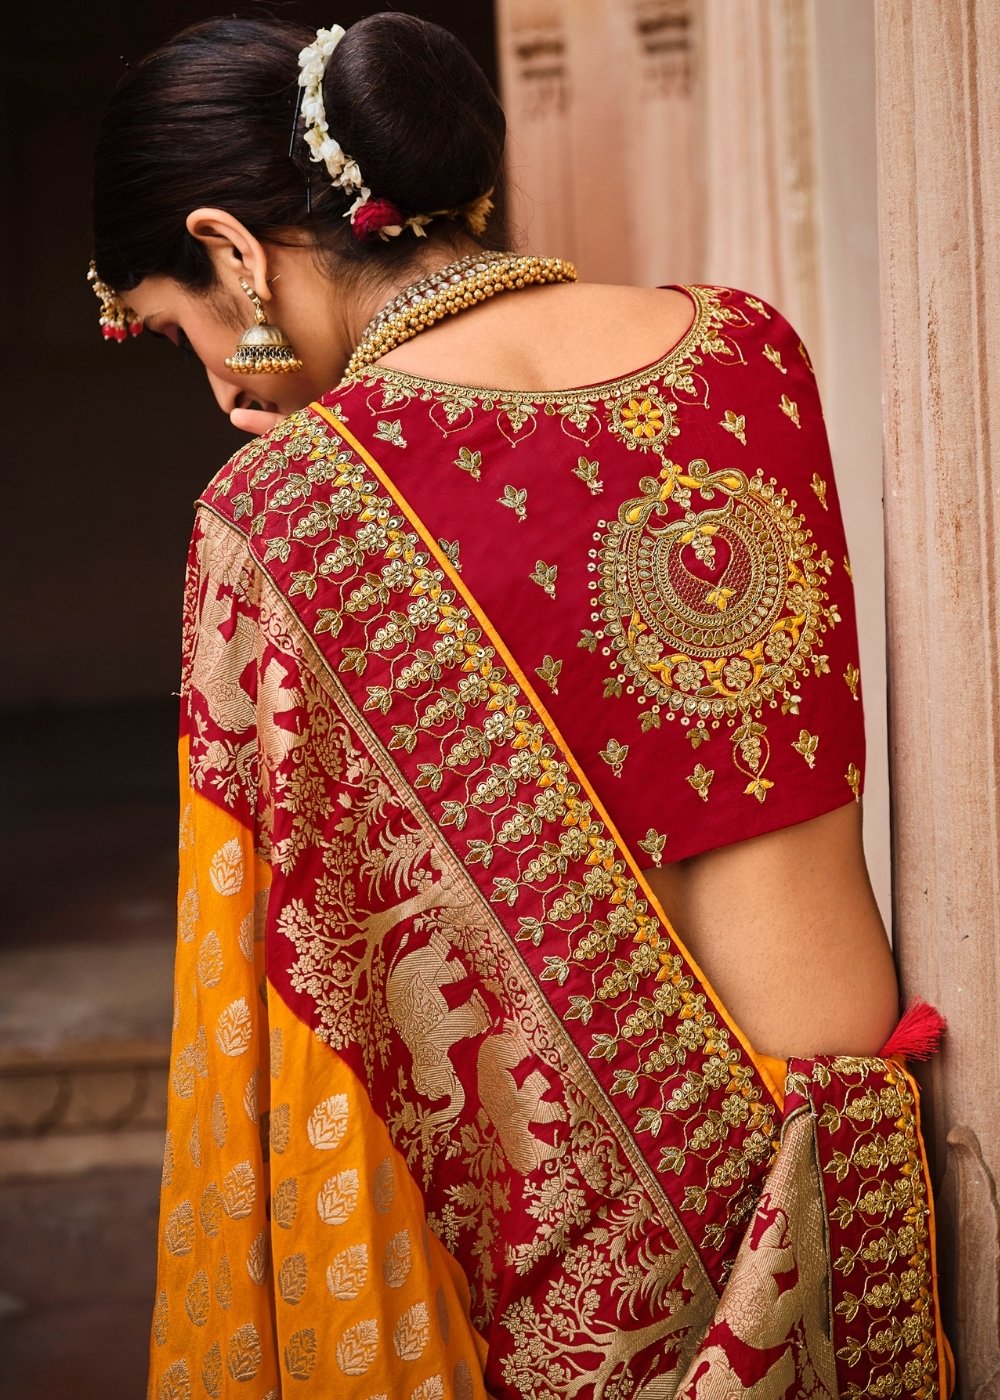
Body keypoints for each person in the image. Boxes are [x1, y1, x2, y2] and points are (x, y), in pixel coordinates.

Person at [89, 12, 953, 1398]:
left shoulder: (285, 518)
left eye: (181, 329)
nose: (213, 383)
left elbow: (295, 1030)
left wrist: (300, 494)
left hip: (598, 1302)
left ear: (233, 254)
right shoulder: (745, 348)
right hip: (856, 1211)